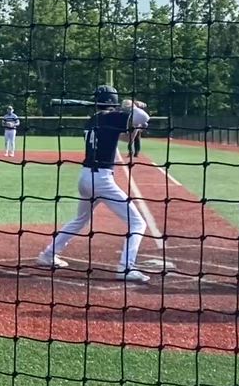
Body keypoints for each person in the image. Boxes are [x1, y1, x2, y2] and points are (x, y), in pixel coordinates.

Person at [34, 85, 151, 282]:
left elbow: (126, 138)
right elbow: (143, 116)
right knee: (138, 223)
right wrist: (130, 106)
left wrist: (136, 124)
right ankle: (126, 268)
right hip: (101, 180)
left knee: (80, 219)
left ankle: (48, 254)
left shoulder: (93, 119)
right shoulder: (112, 117)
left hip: (86, 178)